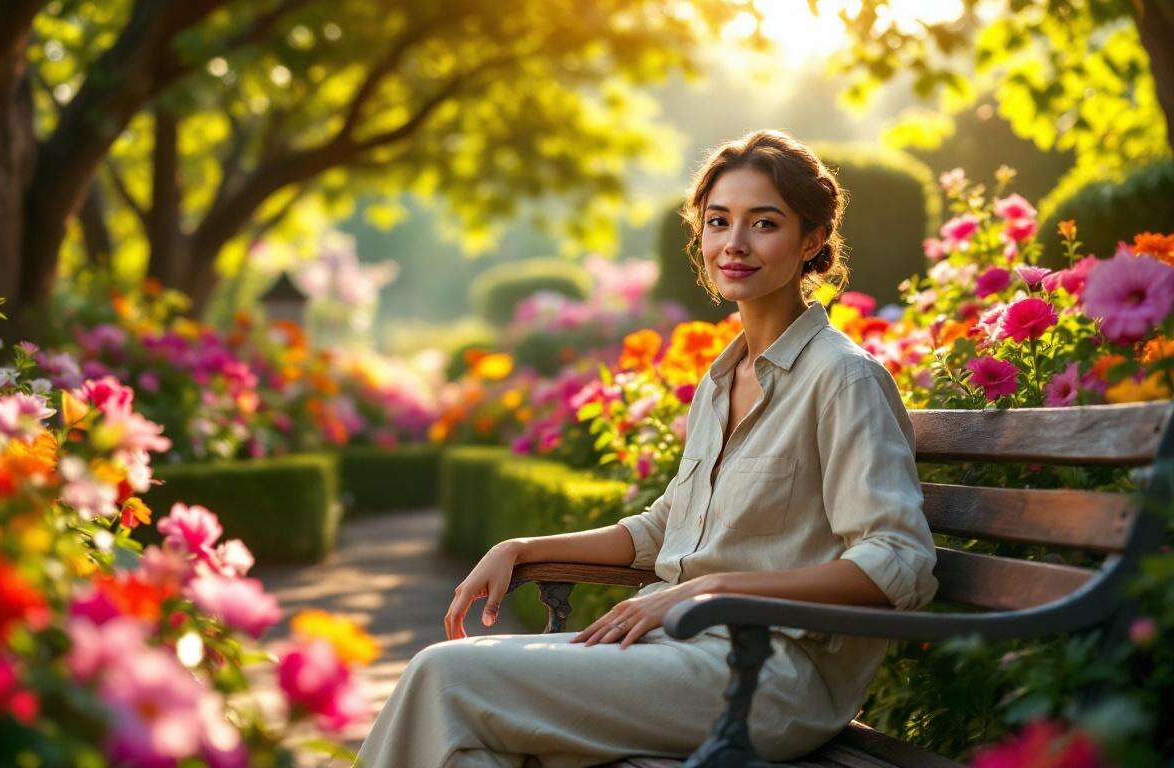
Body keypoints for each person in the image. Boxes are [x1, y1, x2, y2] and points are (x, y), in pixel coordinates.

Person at [355, 129, 938, 767]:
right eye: (719, 222)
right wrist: (522, 547)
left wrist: (710, 589)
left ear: (811, 241)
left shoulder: (843, 379)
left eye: (763, 223)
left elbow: (897, 563)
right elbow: (666, 527)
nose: (734, 244)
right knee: (470, 752)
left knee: (445, 675)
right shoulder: (721, 381)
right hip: (673, 654)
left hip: (769, 678)